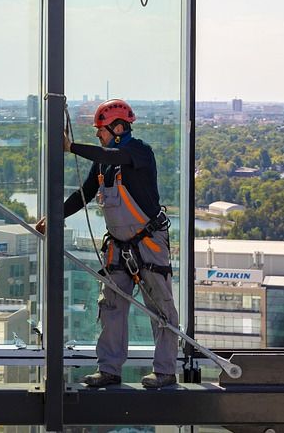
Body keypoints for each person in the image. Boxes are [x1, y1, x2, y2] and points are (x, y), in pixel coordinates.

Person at [35, 99, 179, 389]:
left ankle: (165, 371)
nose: (97, 135)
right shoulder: (103, 163)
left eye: (100, 130)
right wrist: (55, 217)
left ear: (118, 128)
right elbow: (84, 194)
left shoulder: (138, 152)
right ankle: (109, 370)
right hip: (118, 246)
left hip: (148, 241)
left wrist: (71, 147)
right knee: (111, 306)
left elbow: (113, 156)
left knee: (161, 307)